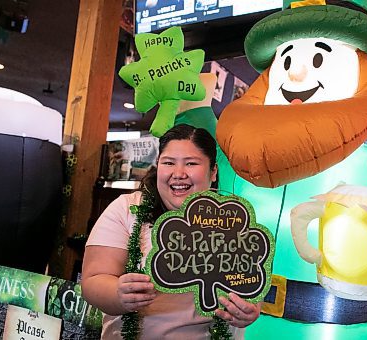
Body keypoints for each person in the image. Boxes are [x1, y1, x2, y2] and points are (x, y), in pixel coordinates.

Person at [82, 124, 260, 339]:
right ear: (158, 166)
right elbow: (93, 281)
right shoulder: (127, 209)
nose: (178, 174)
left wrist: (246, 311)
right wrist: (118, 293)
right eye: (168, 163)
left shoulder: (234, 219)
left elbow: (249, 287)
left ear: (213, 171)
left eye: (191, 163)